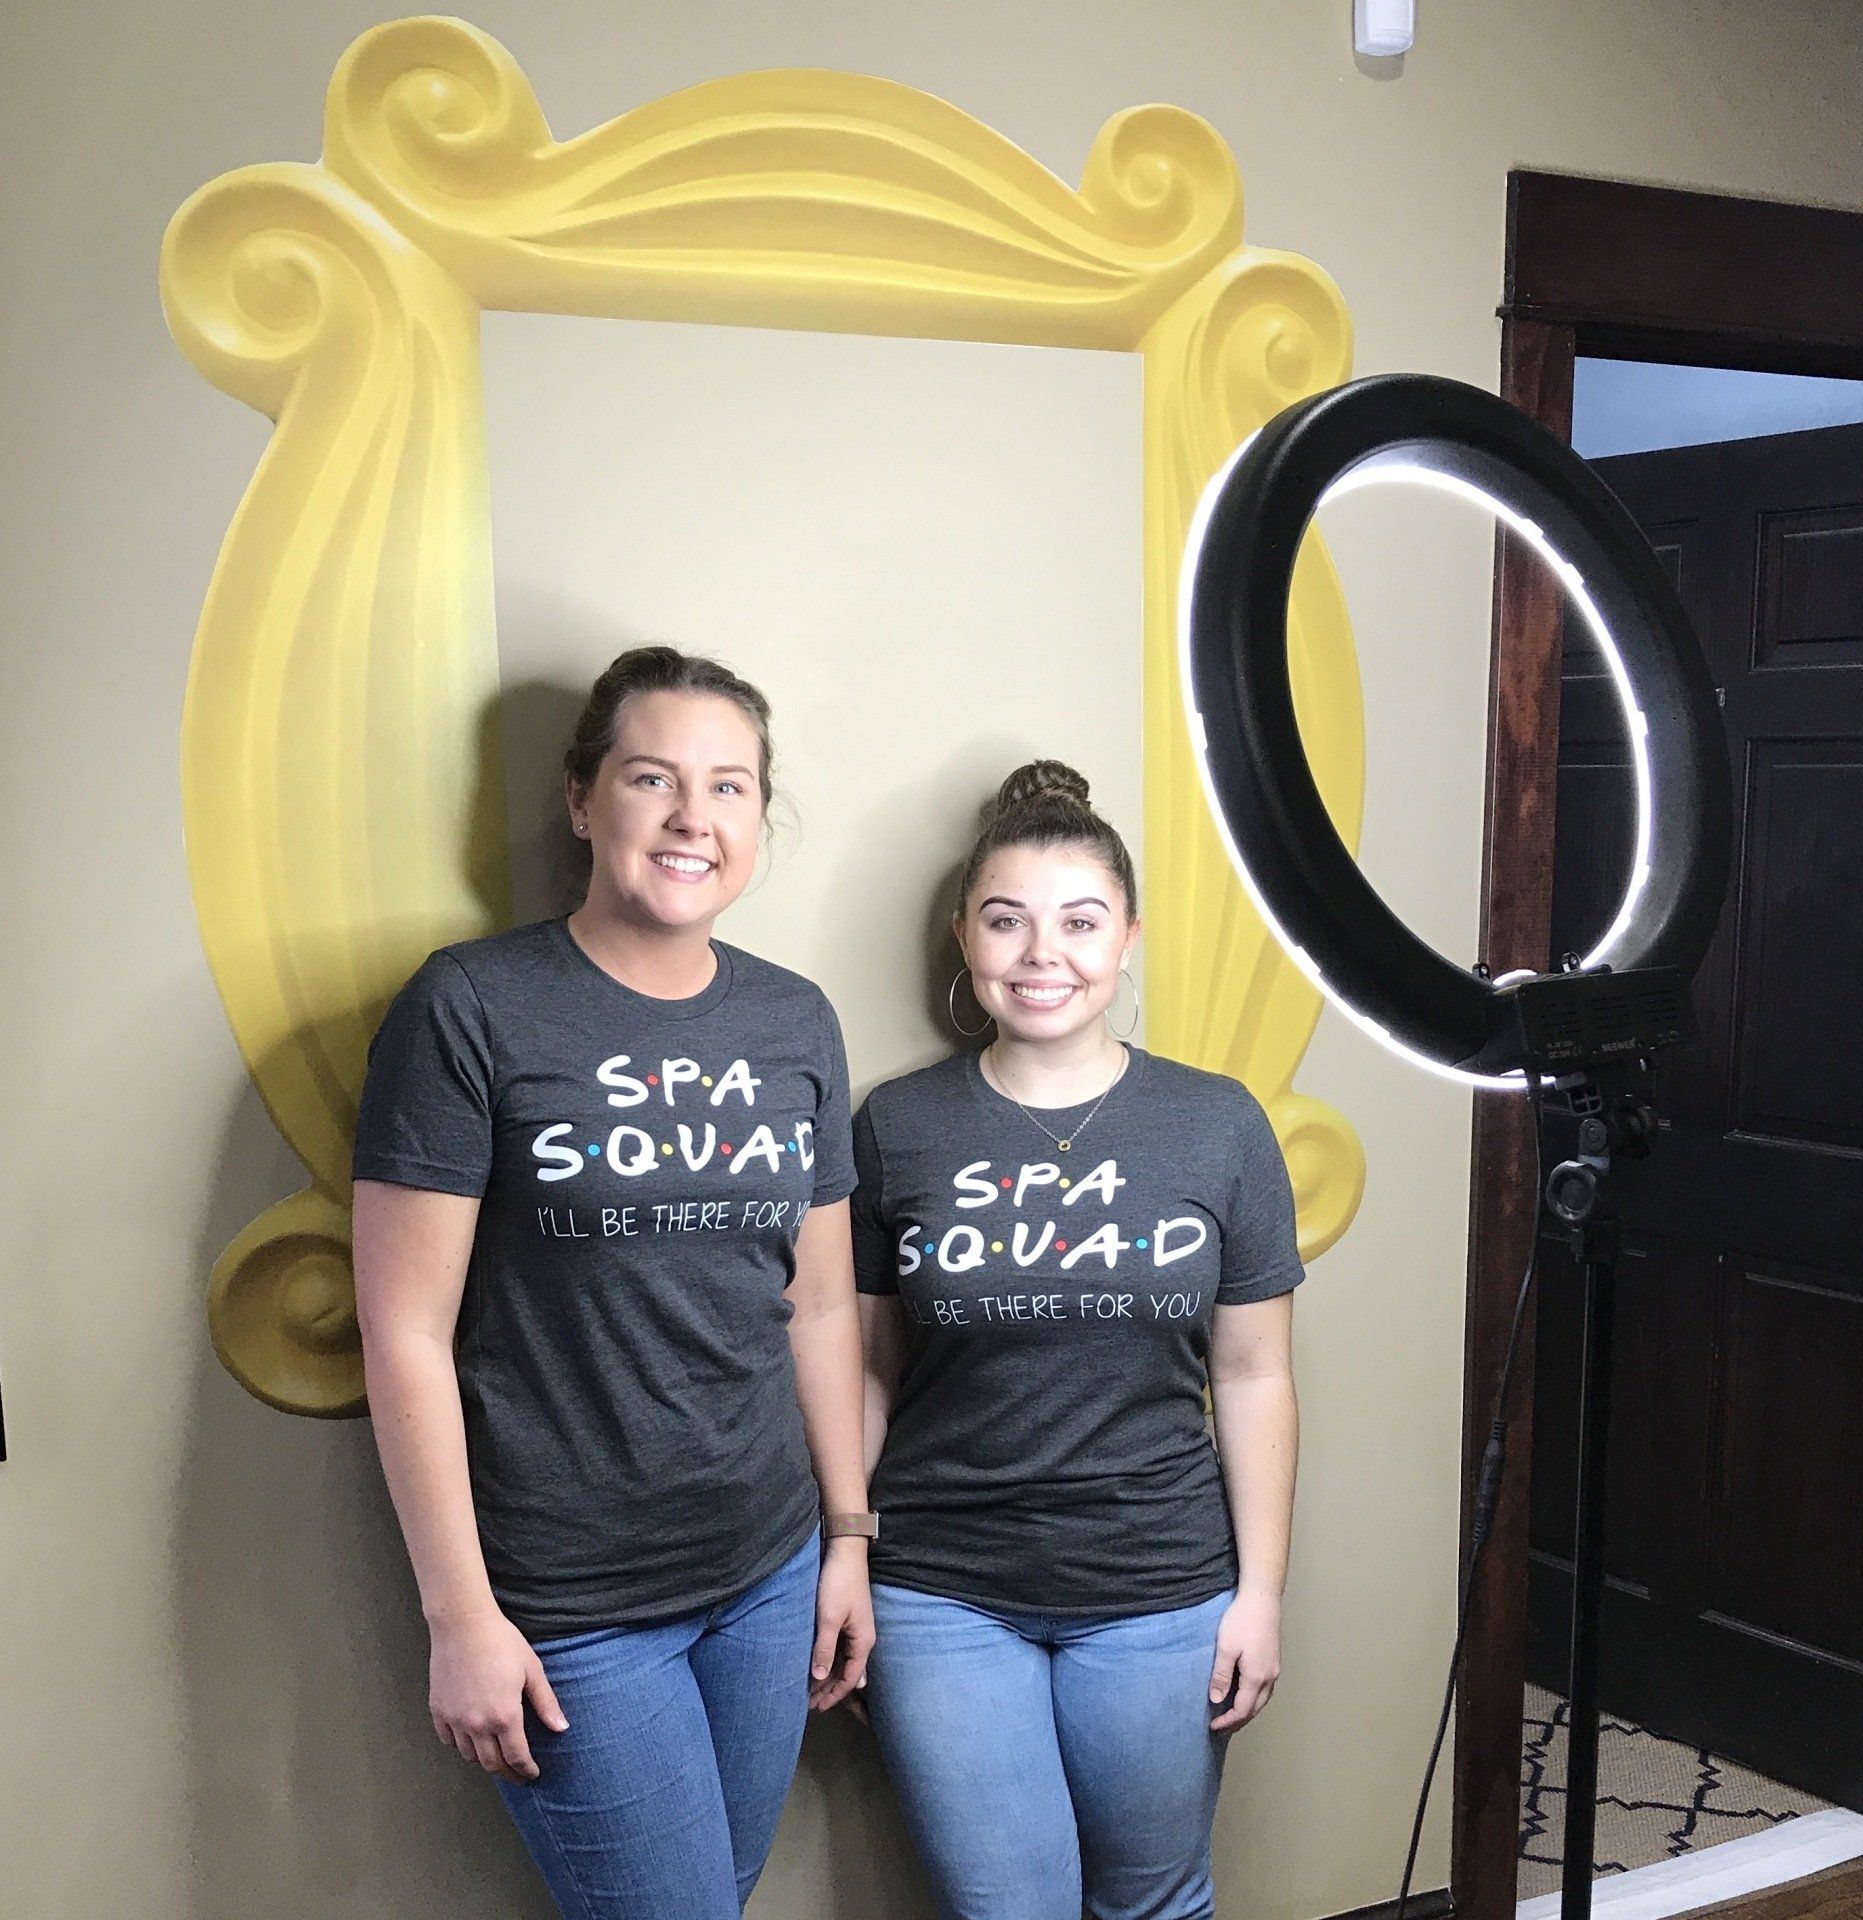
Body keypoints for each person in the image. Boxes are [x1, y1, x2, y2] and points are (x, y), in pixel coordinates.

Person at [350, 646, 877, 1920]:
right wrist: (461, 1617)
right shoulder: (472, 1008)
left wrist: (847, 1539)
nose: (696, 817)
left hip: (764, 1574)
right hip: (573, 1607)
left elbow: (816, 1306)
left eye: (731, 786)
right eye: (654, 778)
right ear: (583, 800)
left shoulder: (795, 1021)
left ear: (760, 816)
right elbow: (405, 1332)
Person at [852, 760, 1305, 1920]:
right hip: (942, 1592)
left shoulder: (1218, 1125)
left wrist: (1260, 1594)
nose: (1041, 952)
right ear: (964, 937)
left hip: (1158, 1586)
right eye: (1006, 921)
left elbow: (1254, 1377)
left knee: (1154, 1903)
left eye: (1080, 922)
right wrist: (842, 1557)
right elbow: (863, 1371)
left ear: (1128, 939)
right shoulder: (896, 1129)